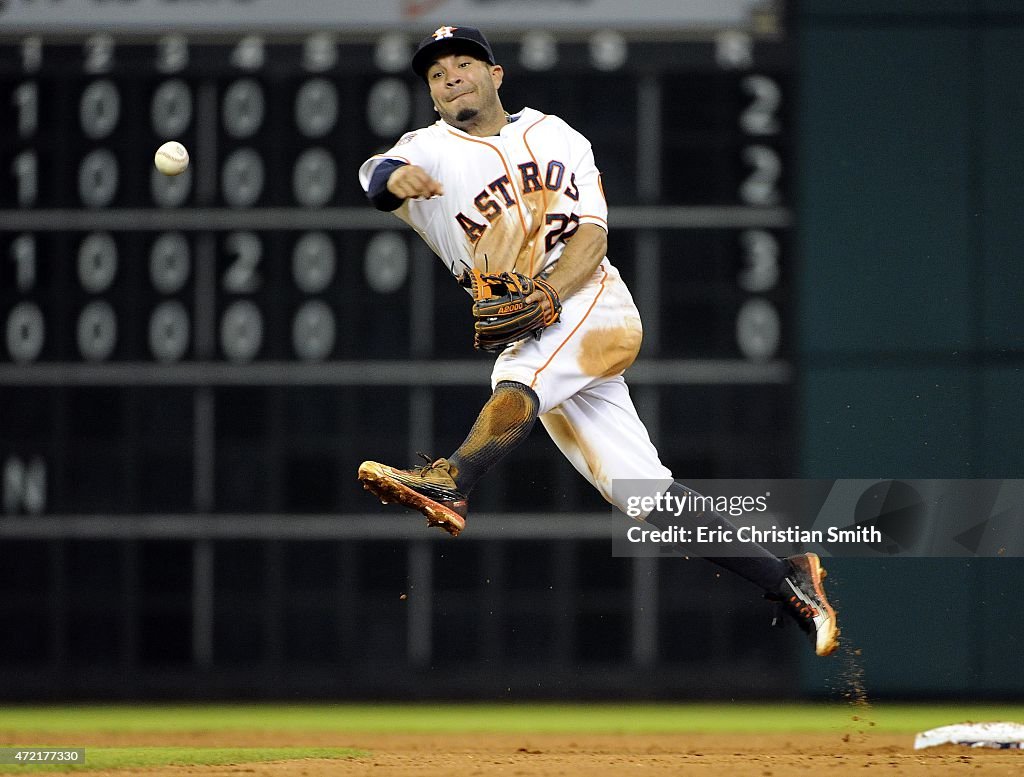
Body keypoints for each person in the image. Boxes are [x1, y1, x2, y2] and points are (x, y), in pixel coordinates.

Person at [356, 25, 839, 657]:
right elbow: (378, 180)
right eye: (437, 72)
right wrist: (398, 184)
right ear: (432, 94)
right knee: (643, 497)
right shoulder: (428, 150)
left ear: (495, 75)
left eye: (465, 63)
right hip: (542, 329)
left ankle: (451, 478)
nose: (451, 76)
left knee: (520, 375)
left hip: (592, 302)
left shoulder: (557, 137)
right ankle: (788, 577)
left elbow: (592, 239)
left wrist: (552, 294)